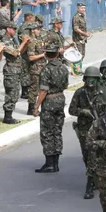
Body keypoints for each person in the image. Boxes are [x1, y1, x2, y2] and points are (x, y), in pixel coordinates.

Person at [33, 43, 69, 173]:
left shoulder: (46, 70)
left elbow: (43, 91)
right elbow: (65, 85)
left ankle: (49, 163)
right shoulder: (64, 68)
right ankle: (56, 162)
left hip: (49, 102)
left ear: (47, 55)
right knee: (57, 131)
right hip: (60, 99)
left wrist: (36, 106)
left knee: (47, 132)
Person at [69, 66, 102, 199]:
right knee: (86, 156)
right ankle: (93, 178)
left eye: (93, 79)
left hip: (99, 130)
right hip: (84, 129)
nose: (90, 81)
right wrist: (83, 111)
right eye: (88, 78)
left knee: (95, 155)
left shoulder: (102, 93)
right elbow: (71, 110)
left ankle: (90, 183)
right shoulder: (80, 93)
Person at [72, 2, 90, 73]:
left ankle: (78, 69)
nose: (83, 9)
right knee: (78, 55)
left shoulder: (82, 16)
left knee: (82, 54)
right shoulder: (76, 17)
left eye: (84, 8)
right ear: (78, 8)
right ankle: (76, 71)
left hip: (82, 39)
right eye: (82, 8)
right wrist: (85, 34)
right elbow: (76, 29)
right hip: (77, 39)